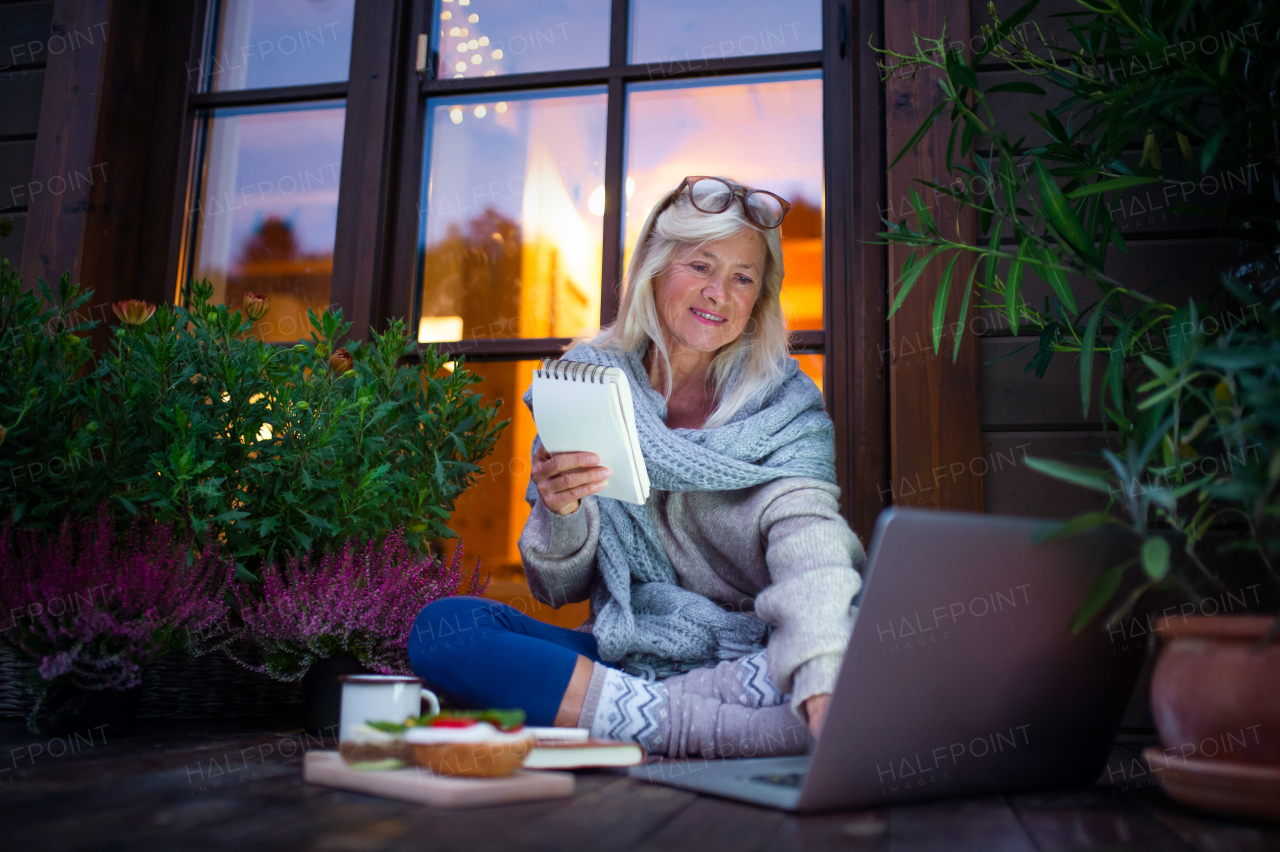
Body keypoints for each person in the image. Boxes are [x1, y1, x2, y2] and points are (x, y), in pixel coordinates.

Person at [409, 176, 865, 759]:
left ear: (759, 300)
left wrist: (822, 680)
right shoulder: (588, 379)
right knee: (444, 630)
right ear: (655, 265)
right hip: (631, 650)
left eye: (742, 277)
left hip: (753, 648)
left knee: (864, 633)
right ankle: (731, 724)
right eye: (701, 266)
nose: (719, 293)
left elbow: (812, 547)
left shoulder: (784, 409)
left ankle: (640, 713)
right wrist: (561, 508)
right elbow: (556, 588)